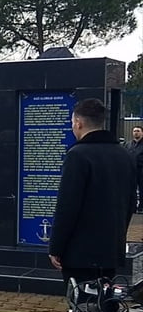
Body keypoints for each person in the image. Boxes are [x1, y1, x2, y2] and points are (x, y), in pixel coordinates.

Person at [49, 98, 136, 286]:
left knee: (82, 308)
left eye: (73, 122)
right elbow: (130, 203)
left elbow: (68, 206)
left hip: (80, 251)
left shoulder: (77, 155)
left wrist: (56, 247)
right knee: (106, 303)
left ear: (78, 123)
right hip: (110, 248)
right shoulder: (124, 155)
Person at [125, 126, 143, 213]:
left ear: (142, 133)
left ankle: (141, 207)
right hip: (131, 169)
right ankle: (133, 207)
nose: (136, 133)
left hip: (141, 169)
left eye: (138, 131)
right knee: (132, 189)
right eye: (135, 131)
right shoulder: (128, 144)